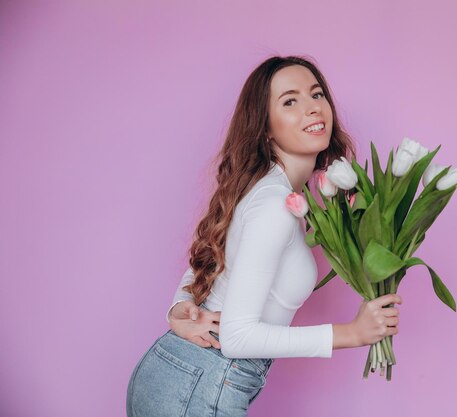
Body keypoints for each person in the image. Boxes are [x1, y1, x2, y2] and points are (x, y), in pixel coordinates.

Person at [126, 55, 401, 417]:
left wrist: (179, 305)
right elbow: (239, 339)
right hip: (200, 384)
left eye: (316, 94)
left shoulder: (269, 189)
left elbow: (212, 260)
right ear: (266, 127)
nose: (312, 108)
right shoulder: (273, 203)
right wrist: (351, 333)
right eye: (290, 101)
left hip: (183, 374)